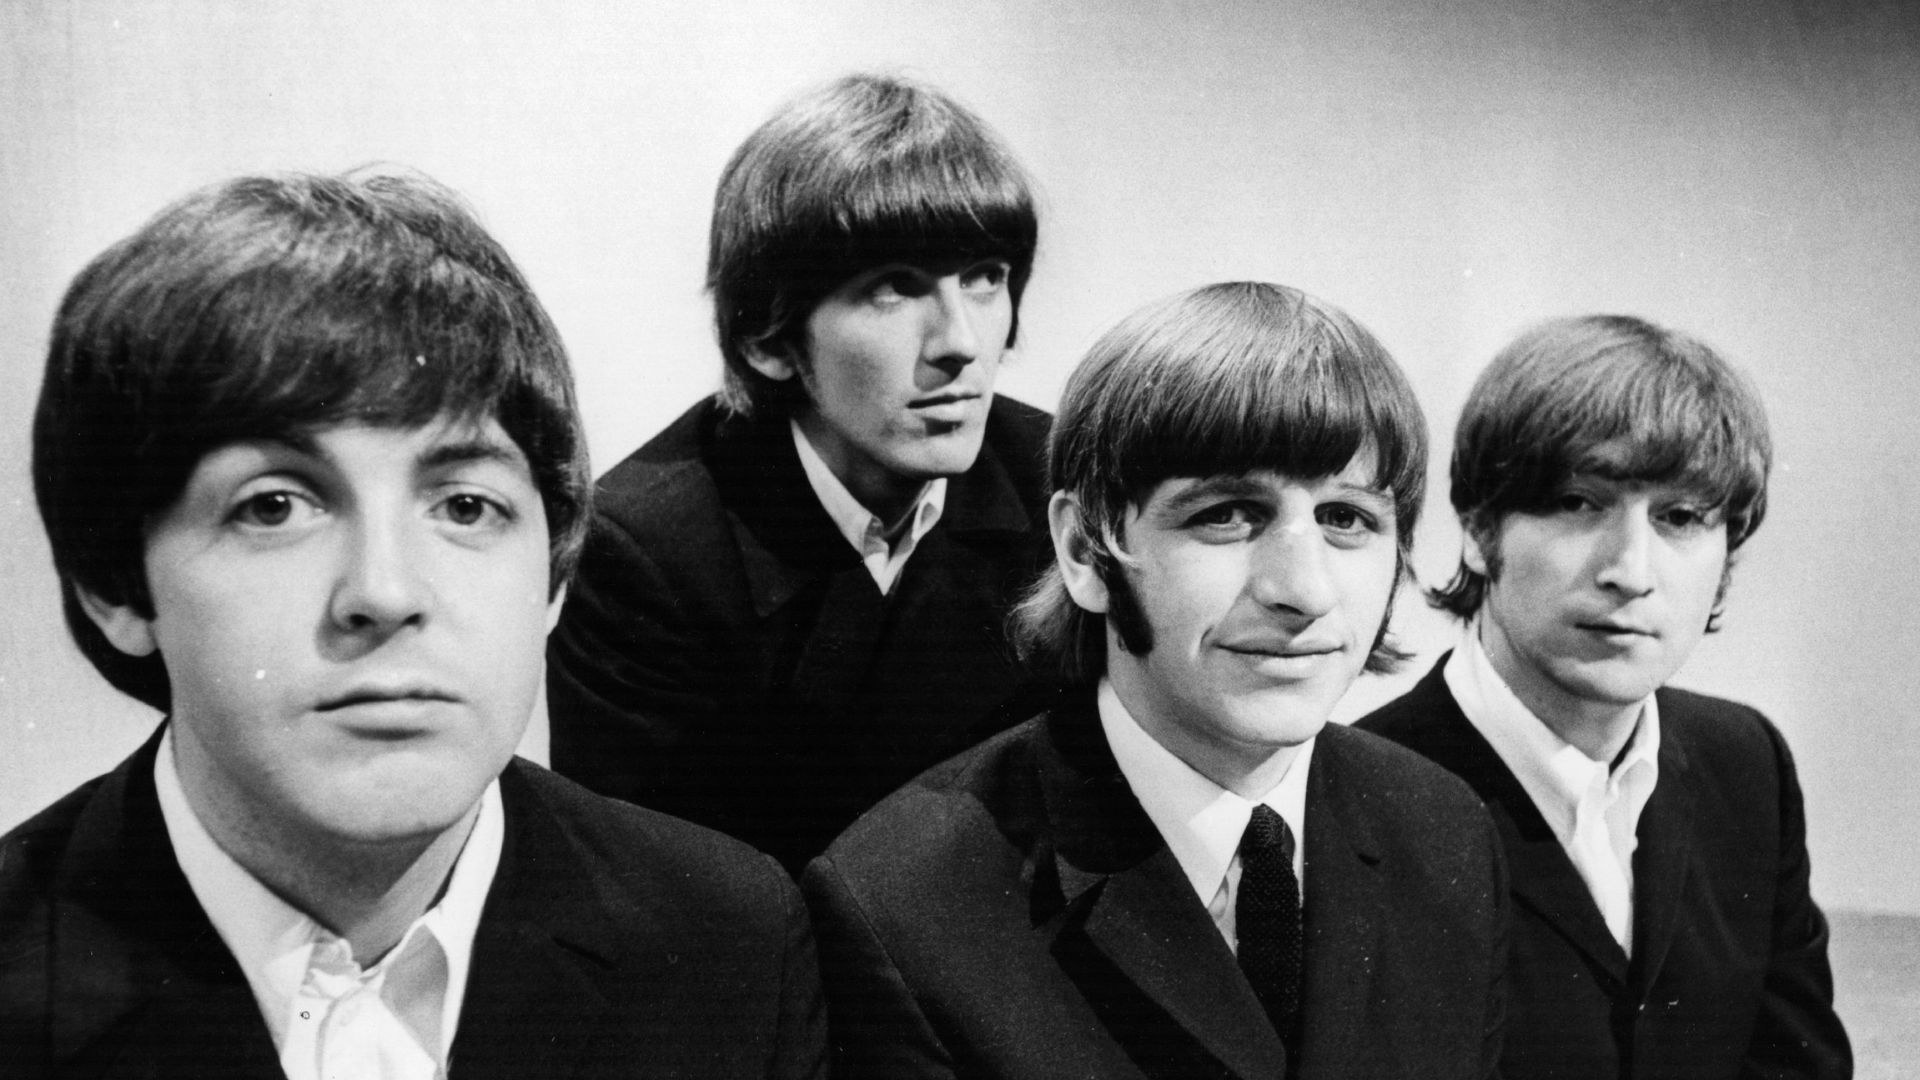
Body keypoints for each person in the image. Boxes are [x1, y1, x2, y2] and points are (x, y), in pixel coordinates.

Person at [4, 170, 825, 1079]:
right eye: (274, 506)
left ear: (553, 577)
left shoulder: (732, 943)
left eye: (466, 506)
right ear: (114, 587)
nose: (386, 592)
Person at [804, 282, 1508, 1080]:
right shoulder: (904, 903)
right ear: (1083, 552)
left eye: (1347, 519)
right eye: (1226, 515)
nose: (1304, 590)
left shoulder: (1444, 830)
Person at [547, 72, 1052, 872]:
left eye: (984, 276)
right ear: (768, 341)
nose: (960, 342)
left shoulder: (1060, 485)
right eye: (894, 288)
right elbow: (645, 892)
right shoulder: (643, 550)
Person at [1357, 314, 1850, 1079]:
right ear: (1480, 531)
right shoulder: (1354, 800)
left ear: (1727, 556)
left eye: (1680, 517)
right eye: (1579, 503)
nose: (1631, 570)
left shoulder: (1746, 761)